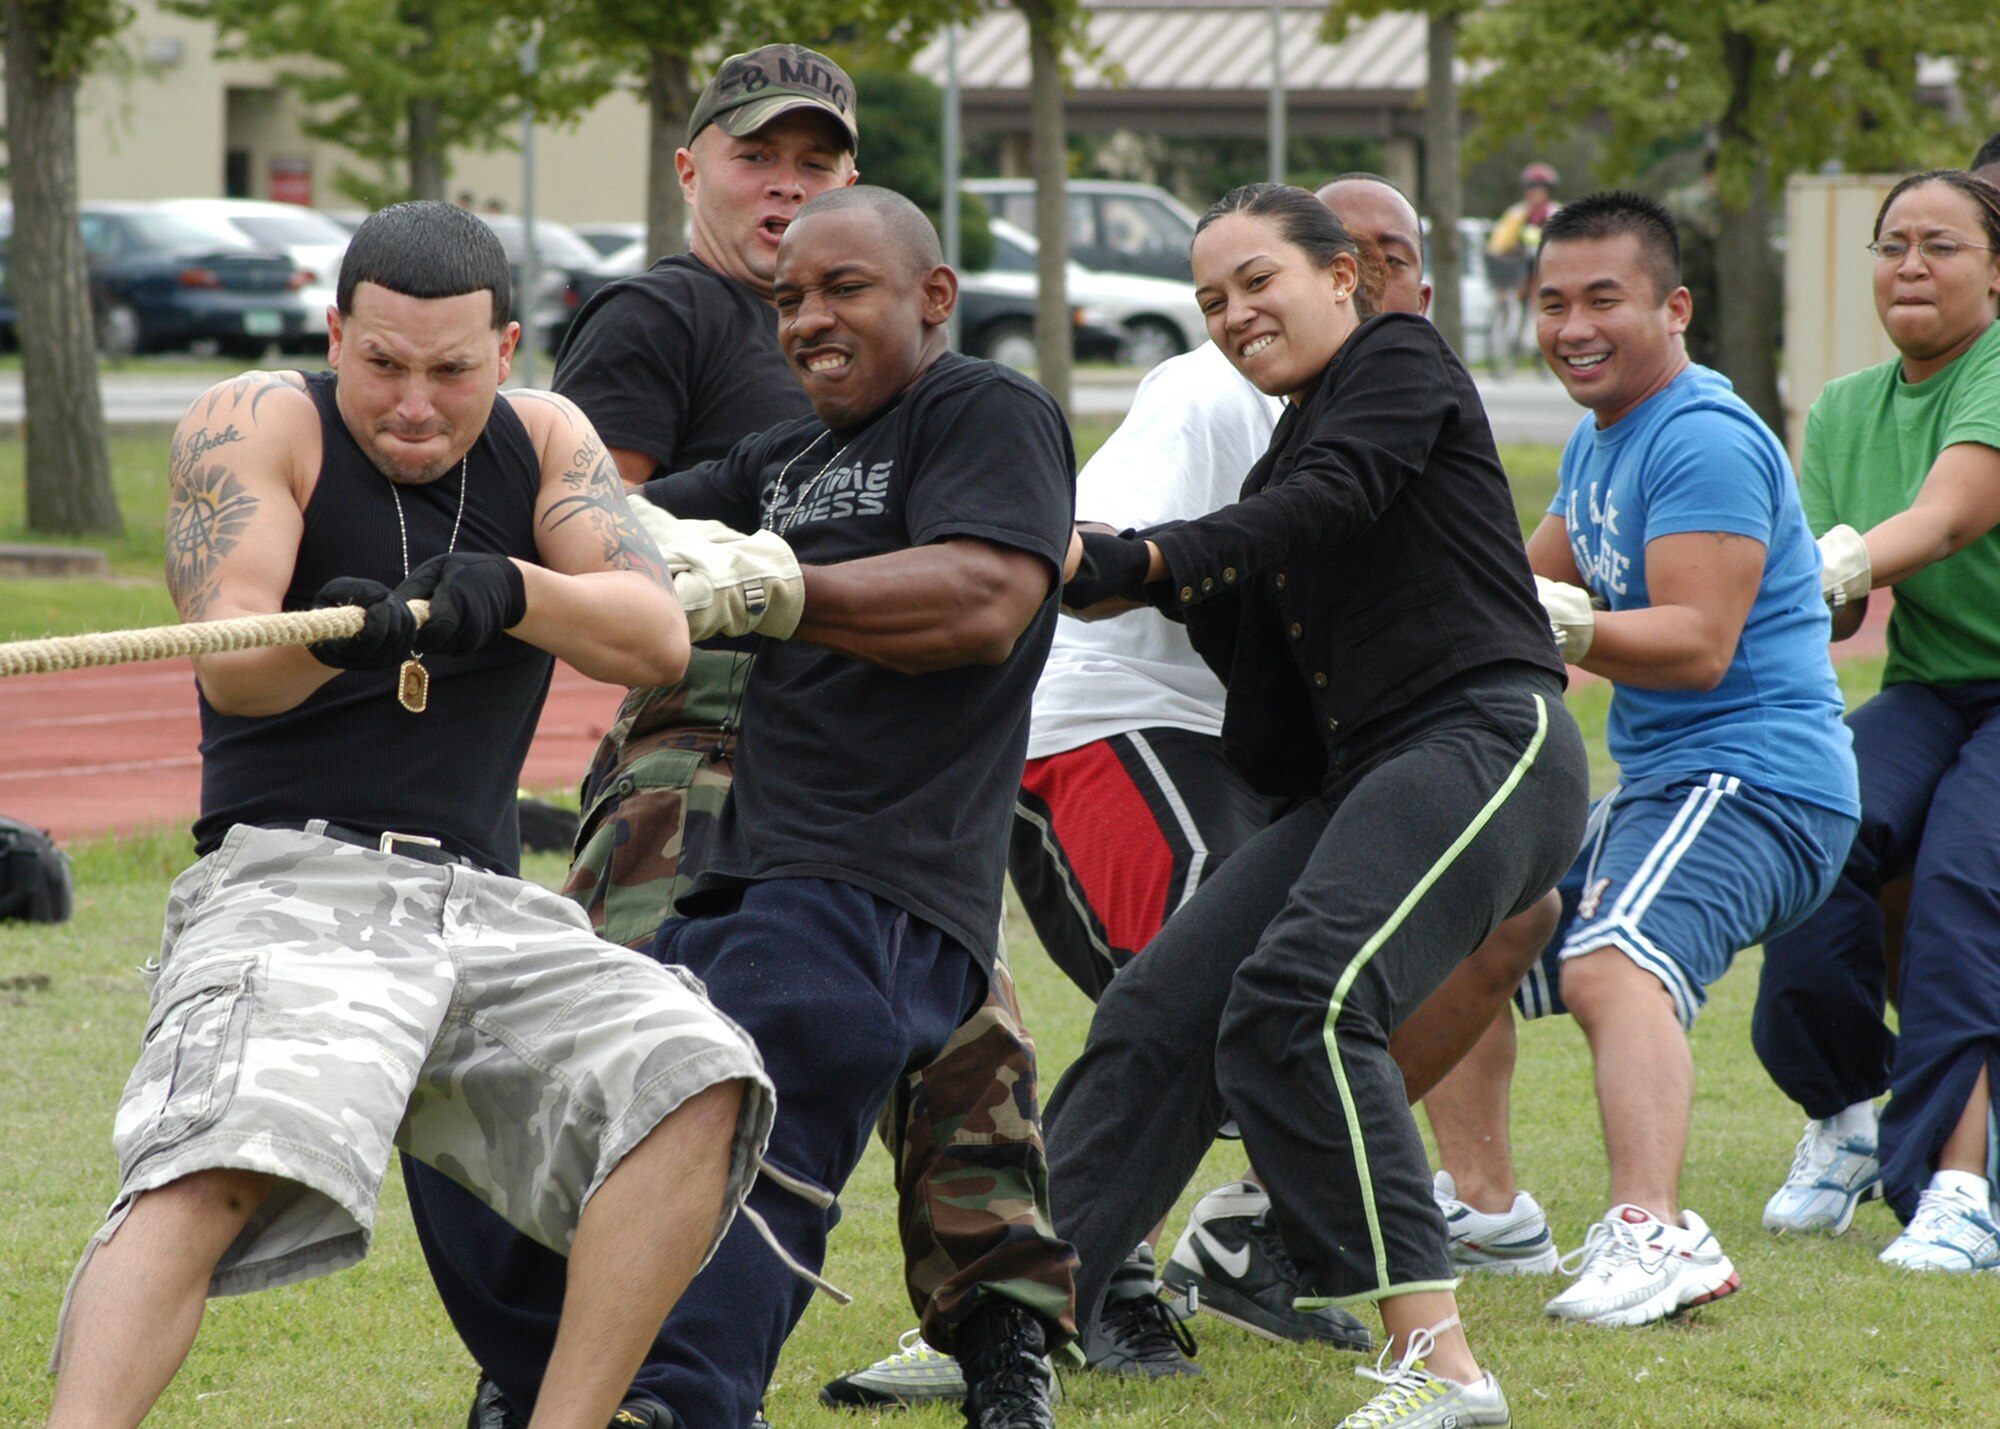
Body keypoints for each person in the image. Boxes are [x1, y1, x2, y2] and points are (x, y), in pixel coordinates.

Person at [402, 49, 1077, 1429]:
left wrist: (779, 587)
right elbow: (578, 510)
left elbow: (991, 589)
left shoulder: (974, 406)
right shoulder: (693, 348)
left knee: (896, 1066)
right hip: (707, 787)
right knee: (622, 1067)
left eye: (818, 168)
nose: (793, 205)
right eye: (763, 163)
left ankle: (920, 1347)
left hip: (872, 825)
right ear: (694, 166)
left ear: (928, 290)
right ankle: (555, 1368)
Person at [43, 201, 776, 1429]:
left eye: (451, 370)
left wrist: (511, 589)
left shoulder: (547, 438)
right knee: (213, 1167)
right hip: (290, 881)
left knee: (700, 1076)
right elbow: (234, 658)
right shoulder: (259, 417)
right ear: (335, 335)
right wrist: (352, 637)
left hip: (488, 904)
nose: (415, 403)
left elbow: (653, 634)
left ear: (504, 348)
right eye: (381, 363)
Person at [1049, 181, 1591, 1429]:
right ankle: (1012, 1310)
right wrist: (1081, 566)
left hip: (1483, 737)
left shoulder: (1397, 362)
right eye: (1208, 301)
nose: (1233, 314)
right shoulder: (1284, 444)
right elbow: (1249, 619)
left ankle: (1442, 1372)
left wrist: (1147, 557)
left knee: (1306, 999)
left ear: (1342, 275)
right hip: (1364, 777)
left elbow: (1323, 502)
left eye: (1257, 282)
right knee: (1159, 1010)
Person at [1420, 190, 1859, 1329]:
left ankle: (1651, 1231)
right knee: (1475, 919)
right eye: (1550, 301)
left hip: (1761, 782)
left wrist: (1559, 626)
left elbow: (1697, 645)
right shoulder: (1597, 436)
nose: (1571, 325)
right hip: (1670, 783)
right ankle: (1480, 1205)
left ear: (1673, 307)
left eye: (1601, 299)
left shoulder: (1700, 435)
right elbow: (1510, 595)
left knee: (1613, 958)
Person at [1751, 169, 2000, 1269]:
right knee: (1809, 825)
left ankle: (1958, 1184)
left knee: (1954, 881)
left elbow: (1945, 519)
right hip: (1930, 685)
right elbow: (1827, 590)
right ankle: (1842, 1112)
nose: (1908, 263)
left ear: (1994, 272)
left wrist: (1822, 566)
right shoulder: (1846, 404)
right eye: (1890, 242)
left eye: (1939, 244)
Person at [1484, 162, 1560, 374]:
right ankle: (1512, 336)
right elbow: (1500, 240)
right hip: (1520, 266)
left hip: (1545, 267)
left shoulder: (1556, 214)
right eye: (1531, 190)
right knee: (1512, 292)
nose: (1534, 195)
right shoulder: (1517, 214)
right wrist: (1497, 251)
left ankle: (1536, 338)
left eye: (1539, 190)